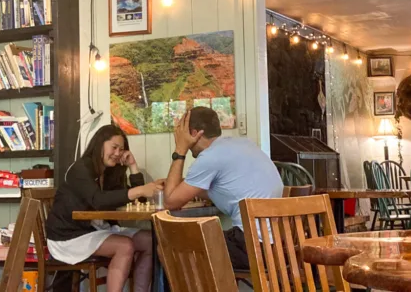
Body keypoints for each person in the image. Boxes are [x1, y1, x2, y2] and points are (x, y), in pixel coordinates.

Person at [46, 125, 163, 292]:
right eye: (114, 147)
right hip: (68, 236)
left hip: (97, 230)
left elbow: (140, 200)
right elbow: (98, 201)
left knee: (150, 241)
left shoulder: (110, 172)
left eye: (121, 150)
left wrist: (133, 166)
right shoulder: (80, 168)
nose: (117, 153)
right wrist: (140, 190)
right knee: (125, 245)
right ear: (100, 144)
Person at [162, 107, 283, 270]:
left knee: (172, 246)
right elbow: (229, 190)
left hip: (253, 247)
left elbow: (170, 202)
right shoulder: (243, 143)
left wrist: (180, 150)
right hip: (281, 243)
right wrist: (187, 187)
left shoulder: (210, 157)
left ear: (193, 133)